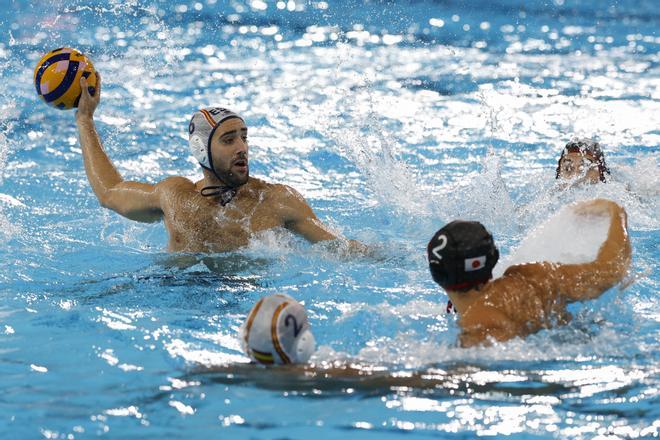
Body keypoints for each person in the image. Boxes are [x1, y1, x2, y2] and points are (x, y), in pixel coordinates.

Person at [75, 74, 366, 253]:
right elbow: (110, 192)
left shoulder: (277, 200)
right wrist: (85, 119)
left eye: (244, 137)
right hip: (173, 292)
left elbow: (341, 248)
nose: (242, 148)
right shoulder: (175, 196)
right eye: (228, 140)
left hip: (242, 299)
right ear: (202, 150)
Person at [427, 198, 631, 347]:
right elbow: (610, 271)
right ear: (493, 259)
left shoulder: (476, 329)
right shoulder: (533, 277)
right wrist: (617, 213)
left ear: (436, 272)